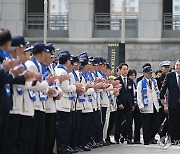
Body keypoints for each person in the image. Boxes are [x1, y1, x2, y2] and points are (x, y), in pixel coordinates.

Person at [137, 66, 160, 145]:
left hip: (154, 105)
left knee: (156, 123)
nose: (150, 74)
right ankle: (146, 140)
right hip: (146, 105)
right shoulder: (140, 83)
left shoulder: (154, 81)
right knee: (146, 124)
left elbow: (157, 92)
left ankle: (151, 136)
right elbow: (139, 95)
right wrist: (141, 105)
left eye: (151, 73)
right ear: (144, 73)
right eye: (148, 73)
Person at [160, 59, 180, 143]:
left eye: (179, 65)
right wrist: (163, 102)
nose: (178, 67)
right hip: (173, 103)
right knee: (172, 122)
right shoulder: (170, 76)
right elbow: (163, 90)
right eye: (177, 65)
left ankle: (178, 139)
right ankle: (172, 138)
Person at [114, 63, 134, 144]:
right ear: (120, 70)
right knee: (118, 121)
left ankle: (129, 138)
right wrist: (119, 103)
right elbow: (115, 94)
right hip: (120, 104)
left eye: (127, 69)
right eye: (124, 69)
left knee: (129, 122)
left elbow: (131, 93)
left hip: (128, 104)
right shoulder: (117, 80)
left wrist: (132, 104)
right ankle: (117, 137)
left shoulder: (130, 81)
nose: (126, 71)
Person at [156, 60, 171, 138]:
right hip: (161, 102)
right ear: (162, 68)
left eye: (168, 67)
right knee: (159, 120)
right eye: (165, 67)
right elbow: (159, 91)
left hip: (170, 102)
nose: (167, 69)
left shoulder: (171, 76)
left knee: (169, 119)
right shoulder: (158, 79)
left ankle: (164, 133)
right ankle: (156, 134)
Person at [128, 69, 142, 144]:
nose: (133, 77)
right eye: (131, 75)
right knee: (129, 122)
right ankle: (128, 137)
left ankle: (137, 139)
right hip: (131, 105)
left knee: (138, 122)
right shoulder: (128, 83)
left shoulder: (136, 84)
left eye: (134, 75)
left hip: (137, 105)